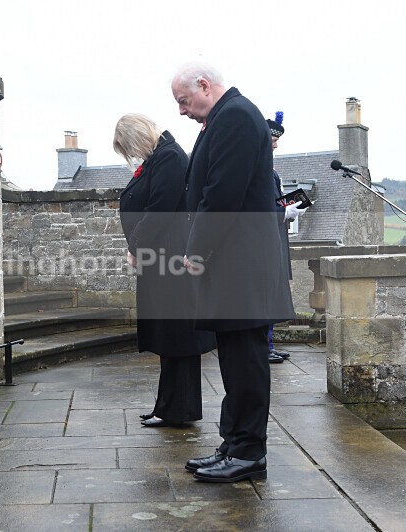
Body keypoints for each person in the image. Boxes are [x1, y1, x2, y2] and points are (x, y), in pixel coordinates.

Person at [170, 63, 295, 482]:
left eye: (184, 101)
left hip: (241, 264)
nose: (182, 111)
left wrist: (197, 250)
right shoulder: (226, 116)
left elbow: (222, 194)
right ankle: (233, 443)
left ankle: (248, 452)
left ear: (204, 86)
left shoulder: (237, 116)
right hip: (235, 263)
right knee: (234, 359)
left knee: (245, 361)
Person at [113, 114, 216, 428]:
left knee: (178, 337)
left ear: (138, 136)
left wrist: (136, 246)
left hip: (168, 259)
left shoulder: (169, 157)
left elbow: (159, 208)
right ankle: (169, 406)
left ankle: (178, 410)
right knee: (171, 338)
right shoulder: (161, 156)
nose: (133, 156)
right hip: (161, 258)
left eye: (131, 148)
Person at [266, 112, 308, 363]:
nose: (276, 146)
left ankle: (269, 344)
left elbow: (273, 202)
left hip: (276, 237)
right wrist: (283, 212)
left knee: (272, 295)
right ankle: (264, 346)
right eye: (273, 140)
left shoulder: (271, 172)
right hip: (266, 241)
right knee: (266, 296)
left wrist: (289, 206)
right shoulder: (259, 170)